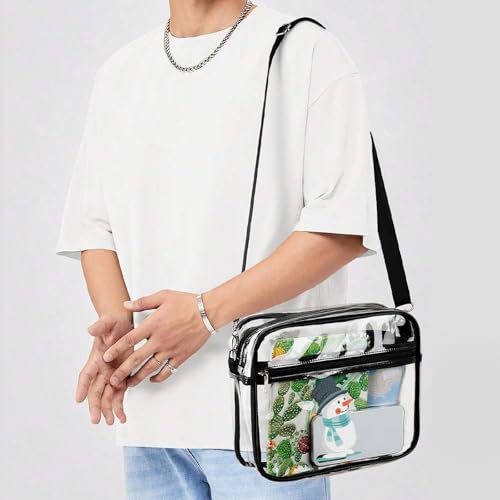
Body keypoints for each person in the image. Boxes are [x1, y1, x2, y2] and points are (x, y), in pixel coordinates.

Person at [55, 0, 379, 498]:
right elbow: (95, 226)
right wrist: (118, 328)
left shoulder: (304, 50)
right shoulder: (121, 72)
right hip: (152, 419)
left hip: (275, 414)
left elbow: (341, 230)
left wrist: (204, 314)